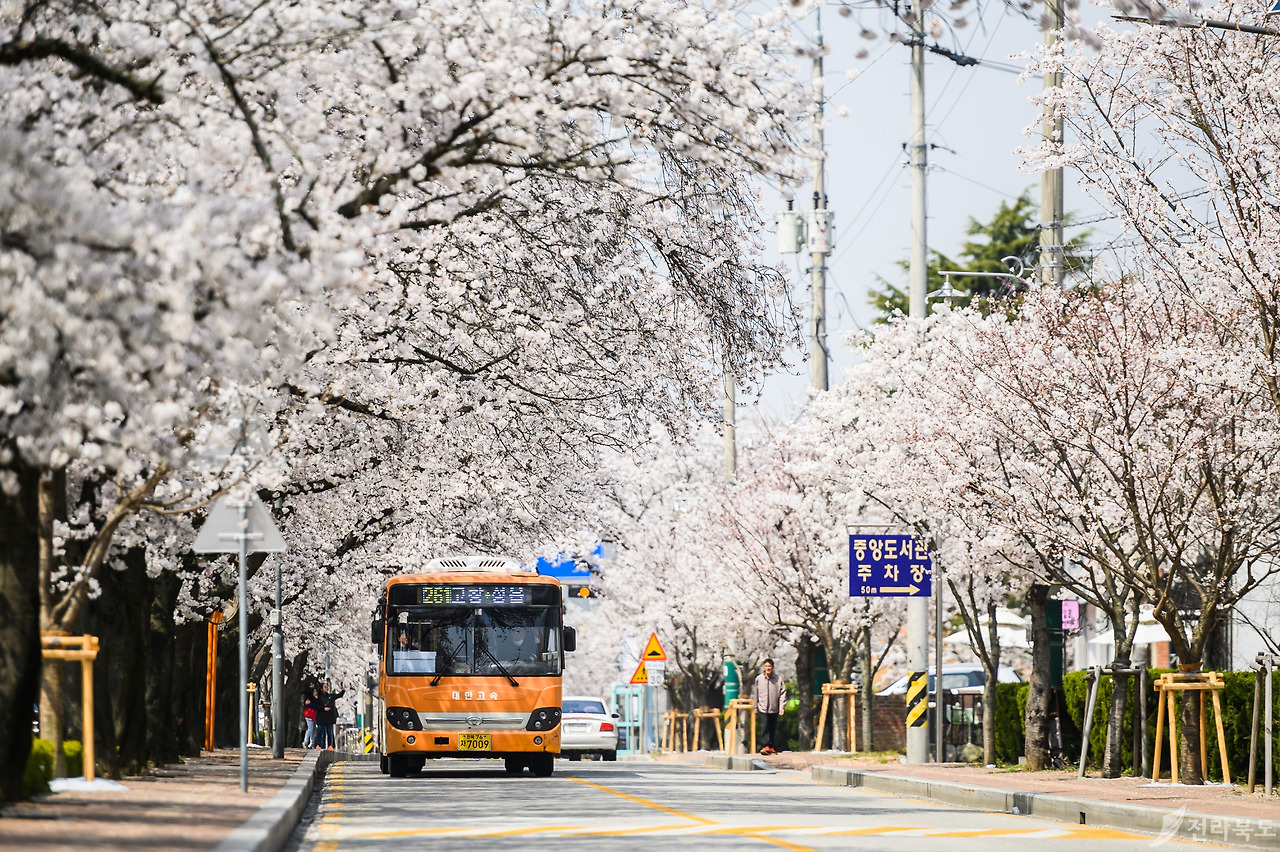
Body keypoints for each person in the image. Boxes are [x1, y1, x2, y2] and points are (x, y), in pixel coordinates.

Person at [753, 658, 787, 756]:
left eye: (769, 666)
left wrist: (782, 707)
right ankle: (765, 746)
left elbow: (783, 693)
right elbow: (756, 694)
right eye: (766, 666)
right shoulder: (759, 679)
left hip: (774, 707)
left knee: (772, 728)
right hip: (763, 707)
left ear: (773, 667)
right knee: (765, 727)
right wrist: (755, 708)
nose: (768, 668)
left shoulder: (778, 679)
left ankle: (771, 746)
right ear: (764, 667)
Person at [316, 682, 345, 750]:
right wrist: (323, 708)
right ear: (321, 689)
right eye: (325, 687)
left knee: (329, 732)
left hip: (329, 717)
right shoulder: (318, 697)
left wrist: (343, 690)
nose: (327, 688)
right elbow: (317, 706)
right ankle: (319, 745)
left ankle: (330, 745)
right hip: (321, 717)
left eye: (327, 687)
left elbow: (339, 695)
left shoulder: (331, 696)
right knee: (320, 731)